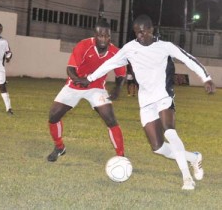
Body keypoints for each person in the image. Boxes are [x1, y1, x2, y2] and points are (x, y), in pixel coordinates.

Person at [76, 14, 216, 190]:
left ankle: (187, 178)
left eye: (142, 32)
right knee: (157, 147)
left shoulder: (165, 47)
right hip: (146, 102)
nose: (139, 36)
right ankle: (194, 158)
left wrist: (206, 78)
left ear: (151, 30)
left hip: (164, 96)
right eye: (136, 33)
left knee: (170, 132)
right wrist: (89, 78)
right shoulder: (130, 48)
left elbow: (189, 59)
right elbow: (109, 64)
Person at [47, 19, 126, 162]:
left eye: (106, 36)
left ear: (110, 37)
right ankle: (59, 147)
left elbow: (121, 74)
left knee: (110, 118)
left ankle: (121, 157)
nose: (103, 39)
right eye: (100, 35)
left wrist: (117, 89)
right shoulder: (83, 45)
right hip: (74, 85)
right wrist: (79, 80)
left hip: (97, 88)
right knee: (53, 116)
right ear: (94, 35)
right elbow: (70, 69)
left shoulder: (115, 52)